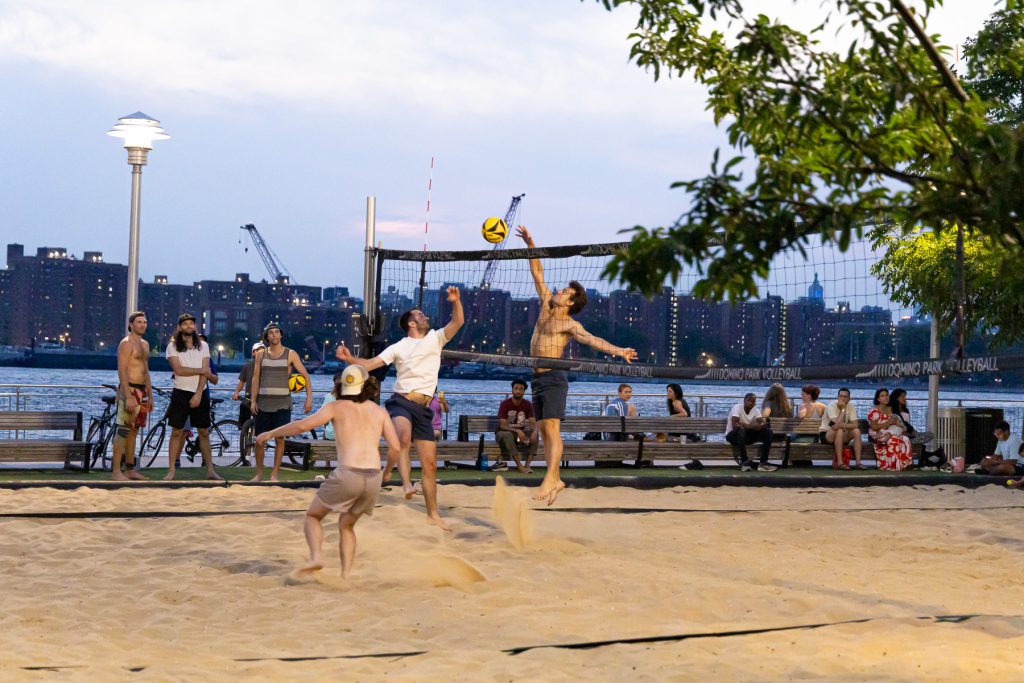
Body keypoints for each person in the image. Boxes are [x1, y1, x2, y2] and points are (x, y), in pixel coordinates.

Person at [517, 225, 638, 505]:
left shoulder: (569, 323)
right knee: (545, 432)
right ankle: (555, 478)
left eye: (565, 291)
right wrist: (531, 243)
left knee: (553, 429)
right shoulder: (546, 303)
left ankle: (551, 477)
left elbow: (594, 340)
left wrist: (620, 351)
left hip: (554, 378)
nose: (559, 291)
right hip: (537, 378)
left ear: (570, 302)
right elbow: (537, 272)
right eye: (562, 289)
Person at [336, 285, 463, 531]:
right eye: (419, 315)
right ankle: (395, 479)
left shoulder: (435, 338)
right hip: (401, 401)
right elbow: (370, 364)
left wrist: (455, 301)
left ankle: (432, 514)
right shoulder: (399, 346)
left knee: (429, 466)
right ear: (410, 323)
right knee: (403, 436)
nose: (424, 316)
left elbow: (458, 321)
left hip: (424, 408)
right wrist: (350, 359)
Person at [255, 365, 400, 579]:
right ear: (368, 387)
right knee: (347, 525)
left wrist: (271, 433)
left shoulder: (336, 407)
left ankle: (316, 557)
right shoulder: (379, 412)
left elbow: (303, 426)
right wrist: (387, 473)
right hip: (373, 477)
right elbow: (396, 448)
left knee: (313, 516)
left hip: (349, 473)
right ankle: (346, 575)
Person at [250, 322, 313, 482]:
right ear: (267, 337)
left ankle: (274, 474)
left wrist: (309, 398)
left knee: (280, 439)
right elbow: (255, 378)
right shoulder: (260, 354)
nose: (274, 335)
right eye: (271, 333)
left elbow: (305, 375)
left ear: (281, 335)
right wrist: (253, 401)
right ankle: (258, 474)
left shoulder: (290, 354)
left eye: (277, 332)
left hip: (283, 403)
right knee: (259, 440)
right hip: (263, 403)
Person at [164, 313, 221, 481]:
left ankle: (210, 470)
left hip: (200, 392)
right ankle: (171, 470)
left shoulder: (203, 345)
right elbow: (179, 370)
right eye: (185, 324)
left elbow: (206, 371)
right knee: (176, 431)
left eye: (191, 323)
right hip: (180, 391)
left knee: (203, 431)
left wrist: (198, 393)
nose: (189, 326)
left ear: (195, 326)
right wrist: (201, 371)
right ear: (179, 327)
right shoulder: (172, 346)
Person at [111, 311, 151, 481]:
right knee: (122, 430)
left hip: (142, 391)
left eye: (144, 322)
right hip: (130, 390)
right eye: (139, 322)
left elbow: (146, 370)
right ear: (131, 325)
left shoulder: (145, 344)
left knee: (134, 431)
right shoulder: (126, 344)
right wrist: (128, 395)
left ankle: (130, 469)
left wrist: (150, 395)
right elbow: (122, 370)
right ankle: (116, 472)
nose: (142, 325)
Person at [725, 392, 777, 472]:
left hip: (745, 436)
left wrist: (761, 425)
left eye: (753, 401)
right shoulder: (737, 407)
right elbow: (735, 425)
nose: (751, 403)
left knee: (768, 432)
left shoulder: (755, 410)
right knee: (741, 430)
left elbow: (762, 423)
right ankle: (744, 461)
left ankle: (763, 463)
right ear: (744, 400)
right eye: (749, 400)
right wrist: (752, 426)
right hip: (732, 436)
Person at [495, 378, 538, 473]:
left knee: (535, 434)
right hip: (502, 434)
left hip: (519, 437)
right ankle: (519, 465)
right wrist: (517, 430)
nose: (518, 391)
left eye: (521, 389)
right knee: (508, 435)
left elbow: (533, 422)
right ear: (512, 390)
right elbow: (502, 425)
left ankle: (527, 465)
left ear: (524, 391)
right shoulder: (505, 404)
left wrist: (534, 431)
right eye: (516, 388)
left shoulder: (527, 404)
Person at [867, 388, 913, 471]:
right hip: (878, 433)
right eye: (882, 396)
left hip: (890, 431)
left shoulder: (890, 409)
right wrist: (888, 423)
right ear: (878, 399)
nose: (885, 397)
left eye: (887, 395)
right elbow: (874, 427)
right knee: (894, 440)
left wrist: (896, 423)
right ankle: (892, 466)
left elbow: (896, 421)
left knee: (905, 439)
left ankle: (903, 465)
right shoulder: (874, 411)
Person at [821, 387, 863, 469]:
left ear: (849, 398)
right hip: (827, 434)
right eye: (841, 396)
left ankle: (858, 463)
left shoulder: (851, 406)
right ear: (837, 397)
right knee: (839, 430)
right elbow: (836, 425)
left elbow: (855, 424)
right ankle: (840, 463)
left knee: (856, 431)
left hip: (841, 434)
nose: (843, 398)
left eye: (845, 396)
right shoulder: (831, 406)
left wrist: (843, 425)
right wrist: (843, 409)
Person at [232, 341, 264, 427]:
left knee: (261, 426)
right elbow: (242, 381)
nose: (261, 352)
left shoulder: (268, 366)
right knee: (243, 422)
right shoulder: (247, 366)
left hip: (262, 399)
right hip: (248, 398)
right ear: (253, 353)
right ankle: (244, 435)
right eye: (258, 350)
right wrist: (236, 392)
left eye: (263, 350)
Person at [320, 371, 344, 441]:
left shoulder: (329, 396)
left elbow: (324, 419)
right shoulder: (352, 397)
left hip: (330, 435)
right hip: (347, 436)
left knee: (326, 431)